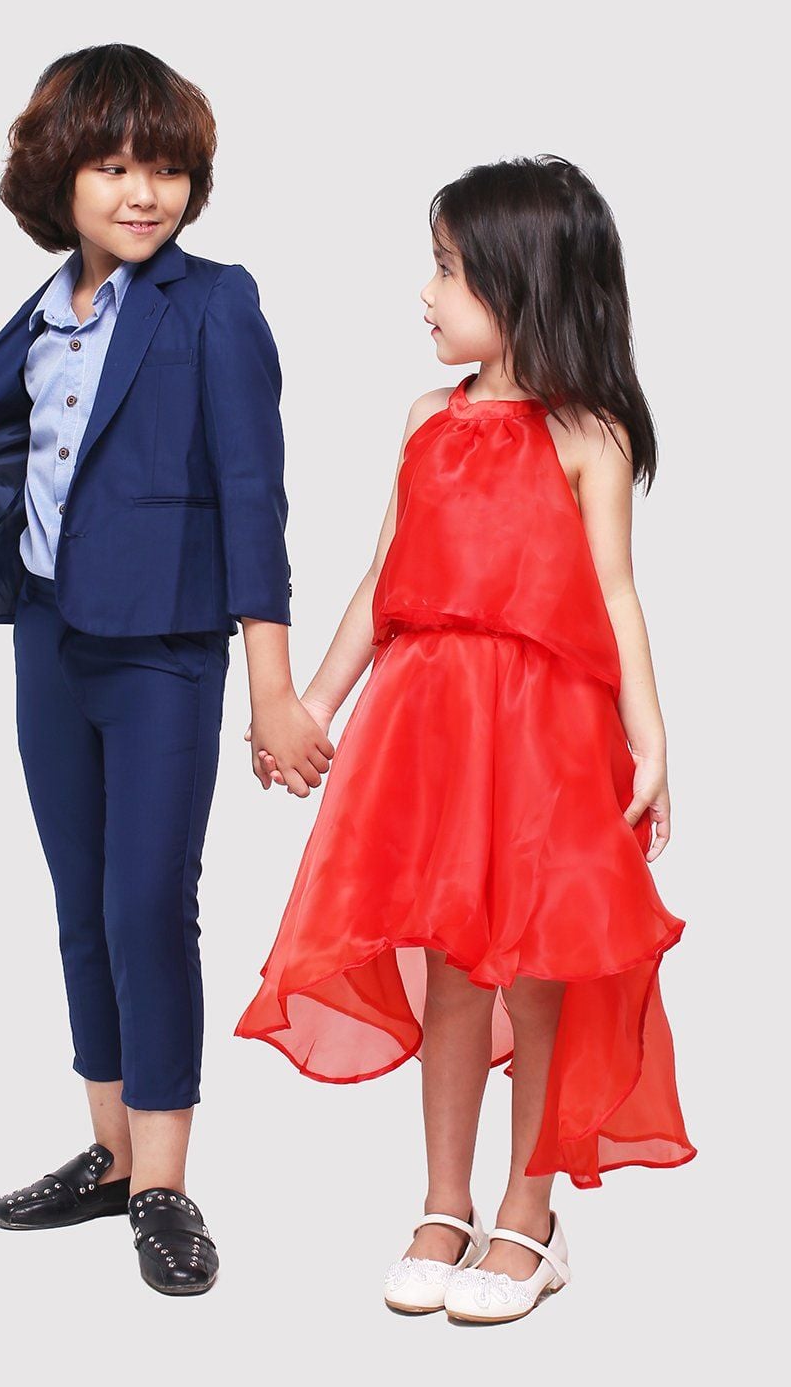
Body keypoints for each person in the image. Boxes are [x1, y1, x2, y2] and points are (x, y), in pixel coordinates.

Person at [0, 43, 332, 1297]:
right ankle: (111, 1153)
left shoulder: (212, 304)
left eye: (164, 168)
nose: (143, 192)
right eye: (115, 167)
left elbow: (253, 497)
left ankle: (166, 1185)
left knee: (145, 907)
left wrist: (272, 687)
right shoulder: (42, 316)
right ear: (59, 177)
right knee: (80, 905)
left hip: (165, 652)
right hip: (49, 639)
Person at [237, 156, 695, 1324]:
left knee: (535, 977)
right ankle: (443, 1203)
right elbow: (383, 578)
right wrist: (313, 702)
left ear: (521, 281)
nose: (426, 292)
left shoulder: (587, 434)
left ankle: (528, 1211)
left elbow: (615, 592)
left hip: (544, 744)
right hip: (432, 733)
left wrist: (650, 737)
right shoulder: (426, 420)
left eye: (447, 269)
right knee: (450, 969)